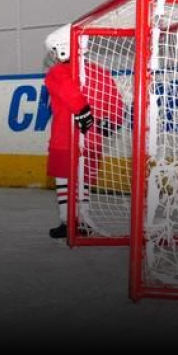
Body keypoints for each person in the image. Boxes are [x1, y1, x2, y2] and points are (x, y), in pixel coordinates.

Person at [43, 24, 124, 239]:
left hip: (65, 138)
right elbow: (115, 101)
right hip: (94, 139)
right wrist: (114, 120)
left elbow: (68, 91)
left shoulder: (57, 72)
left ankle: (68, 221)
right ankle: (83, 220)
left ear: (63, 48)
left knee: (64, 179)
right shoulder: (100, 72)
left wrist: (81, 109)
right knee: (84, 180)